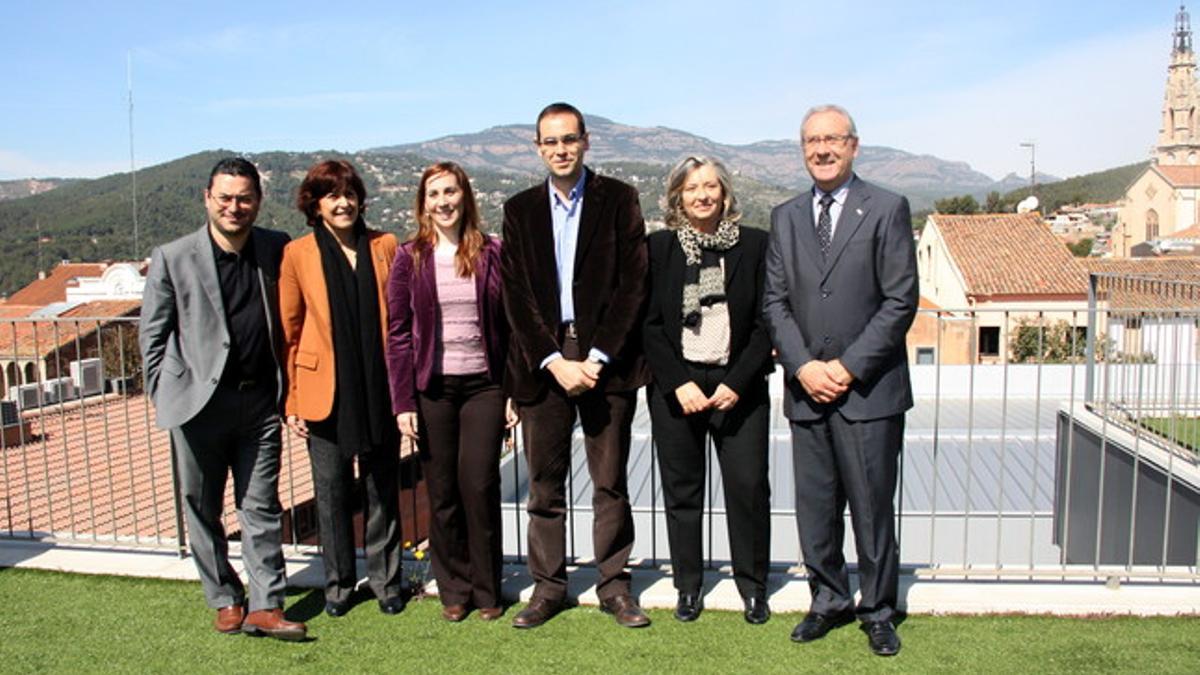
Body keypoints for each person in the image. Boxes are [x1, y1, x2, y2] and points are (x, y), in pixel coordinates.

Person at [763, 105, 918, 657]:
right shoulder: (785, 216)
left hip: (869, 391)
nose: (821, 149)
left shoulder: (887, 208)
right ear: (802, 149)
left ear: (853, 145)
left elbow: (901, 300)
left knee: (873, 507)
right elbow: (775, 302)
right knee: (816, 506)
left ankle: (878, 609)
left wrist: (848, 367)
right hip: (807, 390)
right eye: (811, 141)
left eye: (831, 139)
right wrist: (803, 366)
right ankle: (827, 600)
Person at [139, 157, 306, 641]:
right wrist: (164, 393)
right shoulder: (174, 257)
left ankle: (266, 603)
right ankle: (224, 597)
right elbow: (153, 338)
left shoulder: (276, 247)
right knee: (202, 507)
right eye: (226, 198)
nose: (235, 207)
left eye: (245, 198)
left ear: (258, 200)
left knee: (260, 507)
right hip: (197, 408)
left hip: (260, 407)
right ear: (207, 199)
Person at [500, 102, 650, 629]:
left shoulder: (619, 200)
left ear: (586, 141)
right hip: (543, 365)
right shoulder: (518, 211)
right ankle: (548, 588)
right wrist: (553, 361)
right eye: (551, 142)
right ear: (538, 147)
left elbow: (634, 285)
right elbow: (516, 296)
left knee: (610, 482)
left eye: (570, 139)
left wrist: (597, 357)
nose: (561, 150)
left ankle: (614, 585)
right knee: (544, 485)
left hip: (607, 363)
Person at [643, 156, 774, 625]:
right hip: (677, 389)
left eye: (711, 187)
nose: (702, 195)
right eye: (692, 187)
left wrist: (737, 383)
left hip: (740, 387)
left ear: (725, 194)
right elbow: (650, 324)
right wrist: (677, 383)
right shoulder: (658, 248)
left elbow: (766, 322)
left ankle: (753, 587)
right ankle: (688, 586)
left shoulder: (756, 245)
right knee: (682, 491)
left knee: (749, 487)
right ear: (677, 195)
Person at [385, 161, 516, 622]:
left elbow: (510, 326)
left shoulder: (494, 252)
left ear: (465, 197)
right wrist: (403, 402)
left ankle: (487, 589)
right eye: (433, 194)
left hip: (485, 386)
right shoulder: (409, 256)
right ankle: (454, 590)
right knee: (441, 491)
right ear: (423, 203)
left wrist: (513, 393)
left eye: (450, 192)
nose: (443, 202)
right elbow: (397, 333)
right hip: (432, 390)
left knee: (479, 484)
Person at [279, 159, 405, 617]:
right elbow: (289, 329)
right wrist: (291, 398)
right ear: (315, 204)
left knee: (381, 490)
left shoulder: (385, 245)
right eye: (332, 194)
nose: (343, 202)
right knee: (330, 493)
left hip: (380, 388)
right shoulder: (298, 254)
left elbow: (401, 318)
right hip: (323, 392)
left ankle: (387, 581)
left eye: (349, 193)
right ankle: (337, 586)